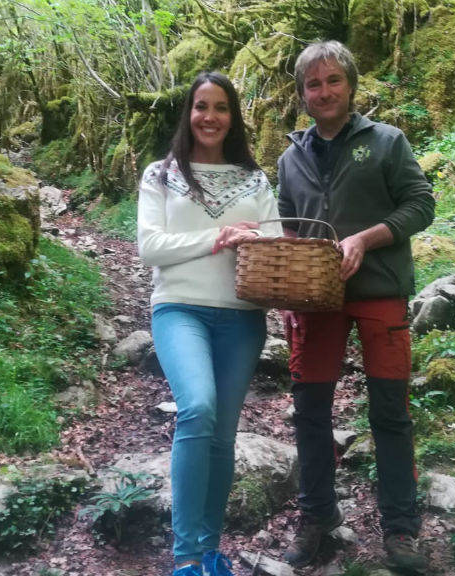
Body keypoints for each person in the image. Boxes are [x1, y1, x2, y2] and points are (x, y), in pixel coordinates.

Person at [275, 41, 436, 574]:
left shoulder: (386, 142)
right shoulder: (290, 158)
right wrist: (288, 292)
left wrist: (366, 238)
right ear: (302, 94)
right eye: (313, 84)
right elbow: (289, 225)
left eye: (333, 80)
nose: (324, 92)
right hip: (315, 302)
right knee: (309, 411)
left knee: (390, 410)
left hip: (380, 293)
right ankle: (317, 516)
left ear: (350, 84)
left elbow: (421, 204)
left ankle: (401, 528)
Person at [137, 71, 283, 576]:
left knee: (222, 435)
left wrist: (254, 240)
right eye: (202, 106)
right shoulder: (161, 174)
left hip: (242, 316)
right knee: (197, 407)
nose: (210, 117)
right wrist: (219, 236)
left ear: (233, 117)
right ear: (189, 113)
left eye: (221, 107)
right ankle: (185, 558)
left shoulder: (254, 178)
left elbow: (276, 240)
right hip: (179, 308)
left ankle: (209, 549)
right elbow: (150, 247)